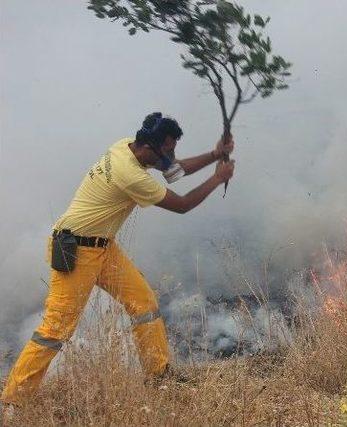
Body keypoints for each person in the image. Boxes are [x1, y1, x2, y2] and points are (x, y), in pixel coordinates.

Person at [0, 112, 235, 406]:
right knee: (55, 329)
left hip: (103, 247)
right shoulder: (130, 175)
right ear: (150, 148)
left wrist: (215, 154)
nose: (172, 156)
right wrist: (218, 178)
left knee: (144, 304)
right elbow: (184, 205)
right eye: (168, 150)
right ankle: (12, 402)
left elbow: (173, 170)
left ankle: (159, 375)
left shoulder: (126, 146)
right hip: (76, 249)